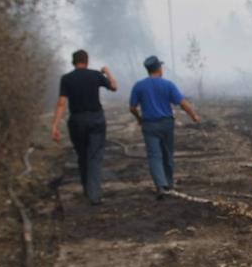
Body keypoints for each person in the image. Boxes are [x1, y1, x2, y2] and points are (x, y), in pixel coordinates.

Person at [50, 49, 116, 205]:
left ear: (73, 62)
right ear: (87, 61)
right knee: (95, 156)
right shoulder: (95, 75)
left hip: (77, 120)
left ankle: (87, 189)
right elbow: (114, 87)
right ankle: (94, 194)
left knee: (82, 155)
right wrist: (107, 72)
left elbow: (61, 103)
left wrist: (55, 126)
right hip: (96, 119)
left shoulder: (66, 79)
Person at [129, 55, 200, 197]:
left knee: (154, 155)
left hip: (149, 125)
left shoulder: (139, 86)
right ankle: (169, 183)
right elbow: (182, 103)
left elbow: (132, 107)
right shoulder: (168, 85)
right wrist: (194, 116)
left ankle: (160, 186)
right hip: (166, 123)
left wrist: (139, 118)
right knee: (167, 154)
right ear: (159, 69)